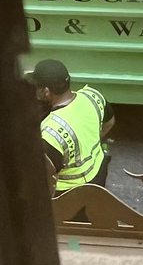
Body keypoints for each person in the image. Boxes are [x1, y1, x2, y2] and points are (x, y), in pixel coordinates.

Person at [30, 59, 114, 194]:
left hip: (69, 193)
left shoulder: (50, 132)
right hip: (99, 175)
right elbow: (109, 122)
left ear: (46, 91)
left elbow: (46, 176)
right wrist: (87, 141)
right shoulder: (92, 96)